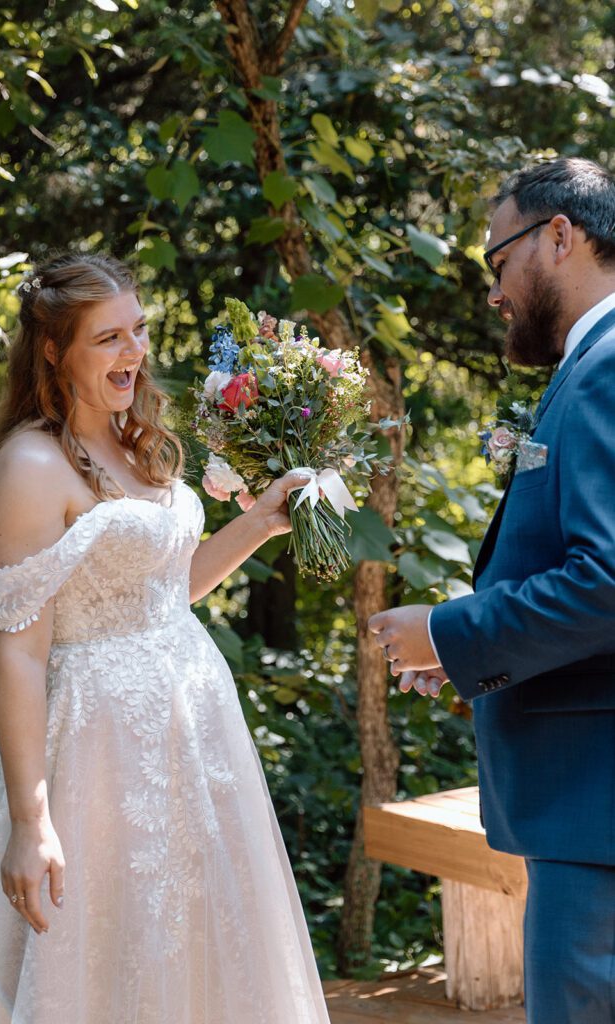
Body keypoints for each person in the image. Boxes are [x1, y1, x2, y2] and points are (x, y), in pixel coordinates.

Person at [0, 253, 331, 1024]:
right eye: (108, 338)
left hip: (196, 732)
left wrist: (257, 523)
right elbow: (19, 656)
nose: (134, 353)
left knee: (205, 945)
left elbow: (162, 593)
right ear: (54, 350)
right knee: (106, 951)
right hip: (99, 746)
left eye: (138, 331)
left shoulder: (137, 440)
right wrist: (29, 820)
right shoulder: (28, 466)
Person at [368, 158, 615, 1024]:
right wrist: (473, 653)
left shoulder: (606, 368)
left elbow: (607, 582)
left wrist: (447, 631)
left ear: (559, 234)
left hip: (595, 810)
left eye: (495, 261)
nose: (492, 292)